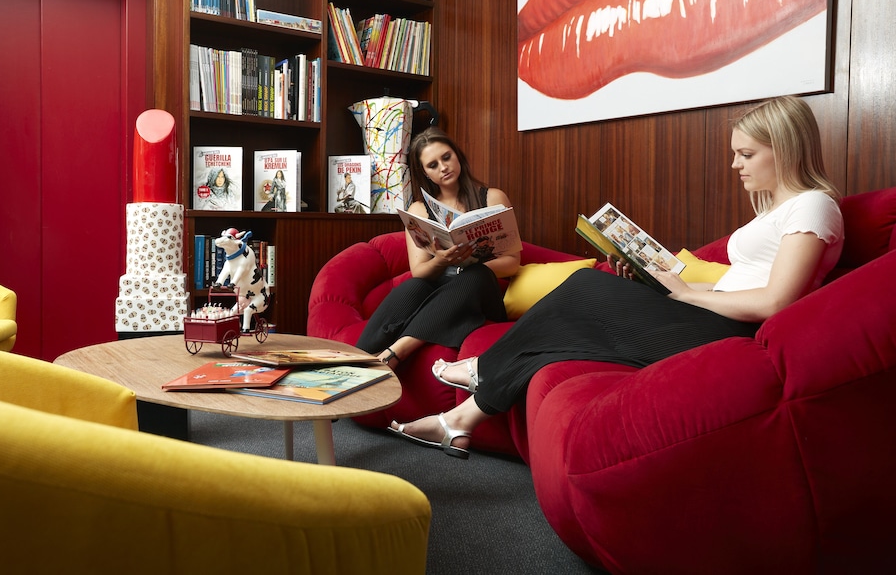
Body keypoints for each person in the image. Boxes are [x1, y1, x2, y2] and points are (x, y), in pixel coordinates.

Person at [389, 96, 844, 459]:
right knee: (566, 334)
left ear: (784, 150)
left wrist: (687, 295)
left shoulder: (813, 205)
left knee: (585, 287)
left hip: (731, 334)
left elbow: (775, 302)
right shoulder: (780, 210)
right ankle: (458, 422)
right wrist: (665, 282)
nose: (735, 165)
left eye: (746, 154)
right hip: (716, 315)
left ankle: (482, 369)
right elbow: (740, 283)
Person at [356, 126, 522, 370]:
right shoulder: (419, 210)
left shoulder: (493, 198)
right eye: (433, 165)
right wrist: (443, 260)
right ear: (425, 173)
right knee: (413, 286)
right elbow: (419, 271)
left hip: (480, 291)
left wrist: (470, 263)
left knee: (475, 273)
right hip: (440, 287)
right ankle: (357, 358)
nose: (443, 167)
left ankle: (398, 351)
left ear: (457, 155)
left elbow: (513, 262)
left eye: (446, 157)